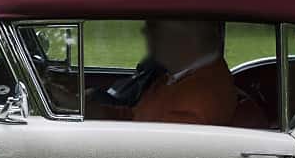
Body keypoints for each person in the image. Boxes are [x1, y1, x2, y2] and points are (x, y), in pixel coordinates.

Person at [95, 18, 237, 127]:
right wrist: (97, 112)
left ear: (187, 37)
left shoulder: (197, 100)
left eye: (154, 26)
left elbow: (152, 153)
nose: (144, 31)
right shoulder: (176, 78)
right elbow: (138, 118)